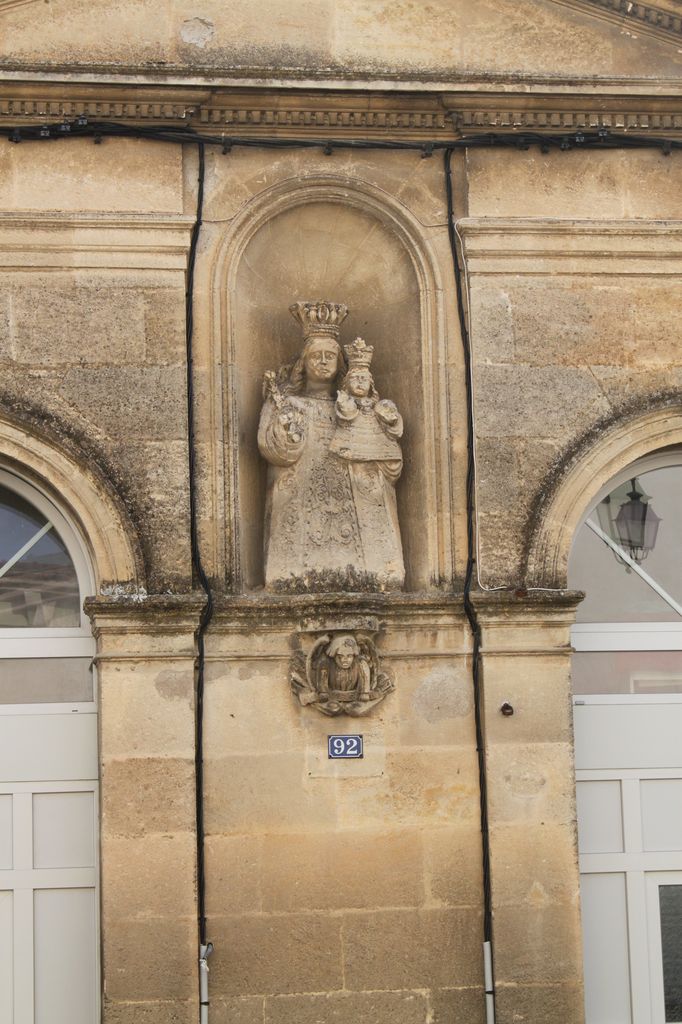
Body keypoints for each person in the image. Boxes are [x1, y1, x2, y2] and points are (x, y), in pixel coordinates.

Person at [258, 301, 405, 591]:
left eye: (329, 356)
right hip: (304, 499)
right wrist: (287, 434)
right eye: (316, 356)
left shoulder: (361, 408)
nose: (323, 361)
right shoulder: (288, 404)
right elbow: (272, 449)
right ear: (304, 361)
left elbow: (388, 457)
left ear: (341, 364)